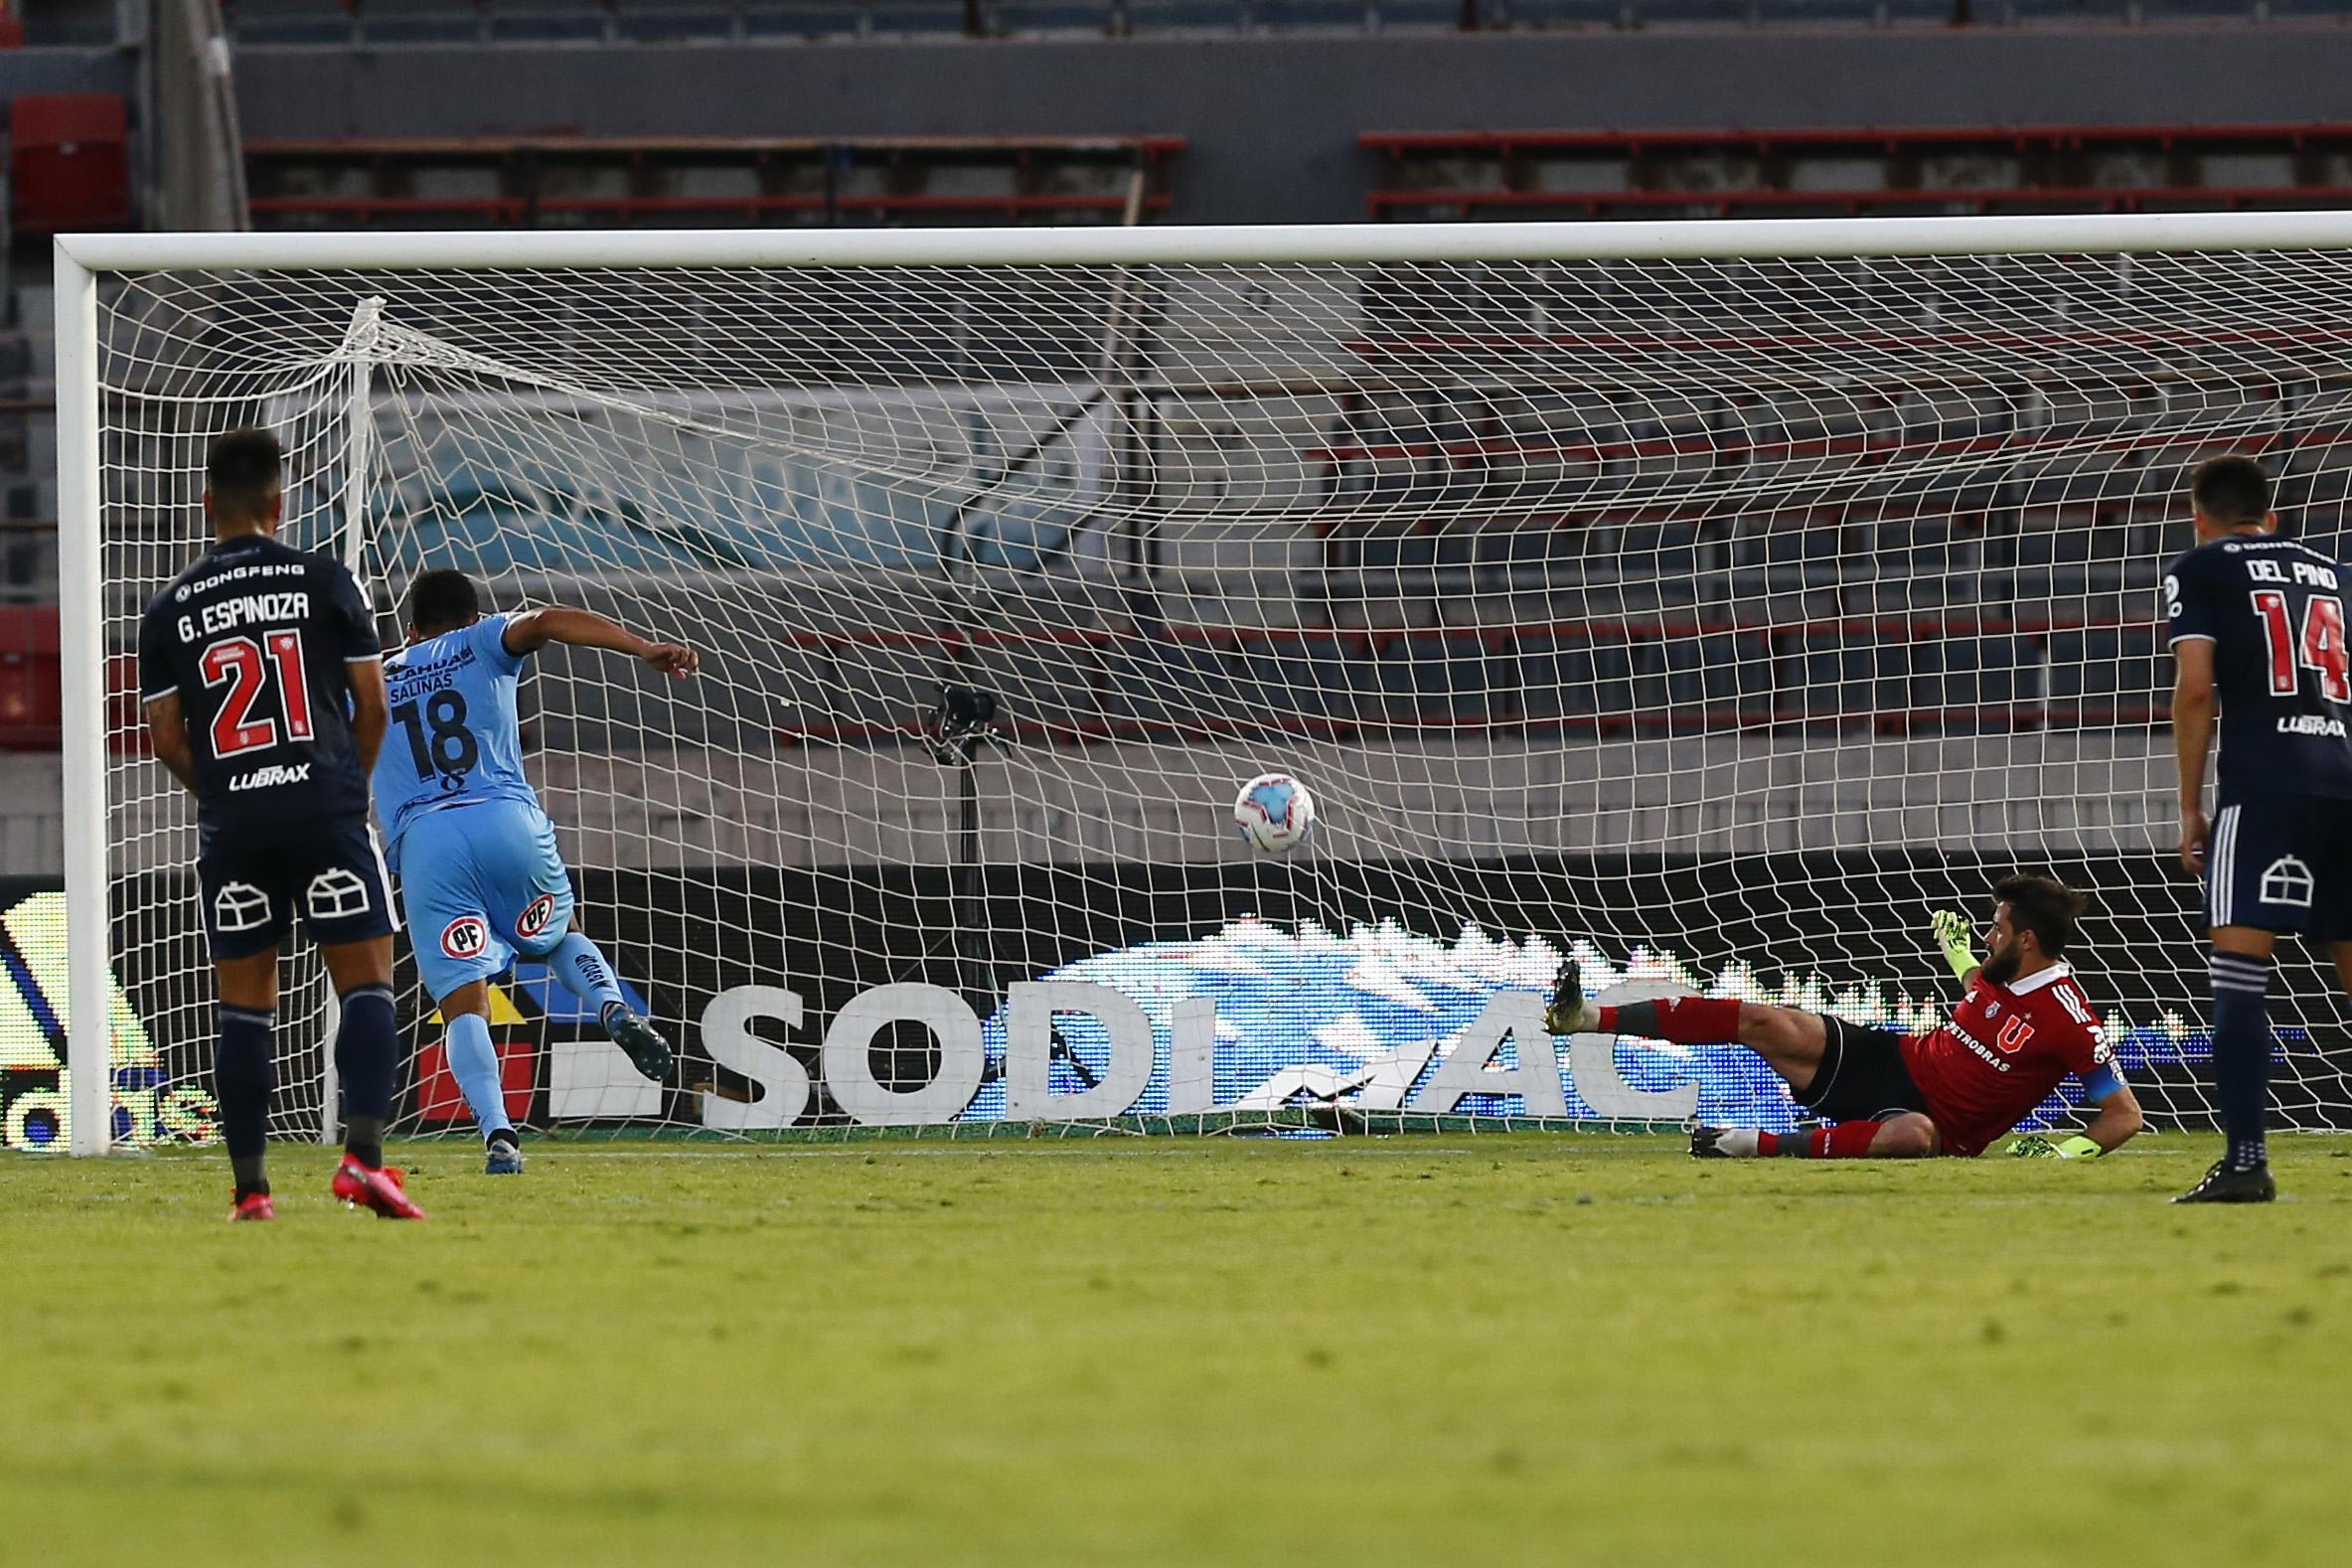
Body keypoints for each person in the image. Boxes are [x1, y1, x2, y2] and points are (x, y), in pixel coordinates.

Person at [139, 428, 424, 1220]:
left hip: (234, 824)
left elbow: (165, 738)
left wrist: (226, 794)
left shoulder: (166, 611)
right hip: (325, 809)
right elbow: (374, 705)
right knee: (367, 982)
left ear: (206, 507)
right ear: (278, 501)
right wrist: (343, 790)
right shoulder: (326, 580)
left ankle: (251, 1190)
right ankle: (364, 1160)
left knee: (245, 1006)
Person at [374, 567, 698, 1174]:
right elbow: (547, 620)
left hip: (427, 843)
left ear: (410, 628)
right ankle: (610, 1006)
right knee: (557, 939)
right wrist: (641, 646)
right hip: (506, 822)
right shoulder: (482, 639)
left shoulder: (373, 671)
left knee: (463, 999)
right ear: (472, 619)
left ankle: (500, 1135)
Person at [1545, 875, 2144, 1162]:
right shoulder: (1999, 974)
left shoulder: (2071, 1021)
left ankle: (1753, 1145)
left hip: (1936, 1123)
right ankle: (1588, 1016)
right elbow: (1977, 989)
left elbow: (2125, 1115)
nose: (1988, 938)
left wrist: (2066, 1153)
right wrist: (1955, 949)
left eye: (1997, 930)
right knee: (1770, 1020)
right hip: (1894, 1060)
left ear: (2030, 942)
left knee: (1912, 1139)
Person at [2165, 454, 2352, 1203]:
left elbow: (2195, 689)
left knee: (2240, 971)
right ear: (2270, 517)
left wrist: (2188, 804)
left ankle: (2245, 1162)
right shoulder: (2334, 572)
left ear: (2199, 516)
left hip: (2265, 786)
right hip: (2344, 779)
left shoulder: (2201, 568)